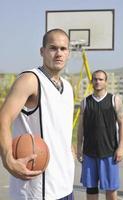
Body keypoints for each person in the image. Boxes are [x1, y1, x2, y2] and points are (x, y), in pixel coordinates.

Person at [0, 29, 75, 200]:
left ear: (69, 53)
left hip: (64, 184)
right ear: (42, 51)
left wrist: (66, 145)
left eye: (63, 49)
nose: (59, 53)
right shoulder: (30, 80)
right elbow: (3, 119)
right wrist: (8, 160)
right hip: (37, 188)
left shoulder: (68, 87)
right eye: (53, 48)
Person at [77, 70, 123, 200]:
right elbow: (80, 127)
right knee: (91, 188)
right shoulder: (85, 102)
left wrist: (120, 147)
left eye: (101, 79)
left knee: (110, 189)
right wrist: (78, 148)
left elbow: (122, 124)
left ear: (106, 82)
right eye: (95, 79)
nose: (98, 82)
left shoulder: (115, 100)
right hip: (89, 152)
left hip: (109, 152)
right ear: (91, 81)